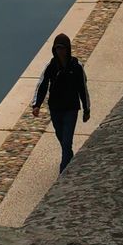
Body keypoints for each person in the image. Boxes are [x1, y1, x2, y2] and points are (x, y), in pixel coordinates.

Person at [32, 33, 90, 171]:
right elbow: (42, 85)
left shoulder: (76, 66)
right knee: (61, 138)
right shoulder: (51, 66)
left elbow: (83, 88)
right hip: (55, 108)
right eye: (58, 48)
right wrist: (36, 105)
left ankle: (63, 172)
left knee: (67, 141)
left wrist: (86, 109)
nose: (60, 51)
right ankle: (71, 161)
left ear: (68, 49)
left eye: (63, 48)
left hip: (71, 108)